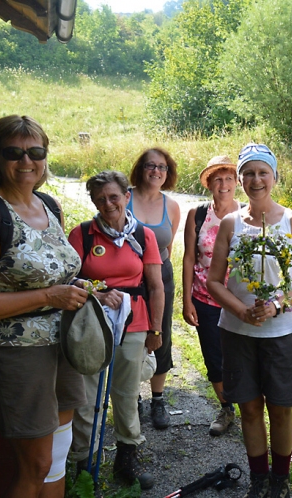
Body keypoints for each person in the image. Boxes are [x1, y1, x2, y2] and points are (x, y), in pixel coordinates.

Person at [0, 115, 90, 498]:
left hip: (62, 345)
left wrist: (83, 290)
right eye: (14, 152)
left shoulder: (48, 205)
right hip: (14, 352)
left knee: (56, 460)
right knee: (35, 466)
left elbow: (55, 276)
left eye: (35, 151)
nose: (26, 160)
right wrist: (50, 297)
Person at [207, 143, 292, 498]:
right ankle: (258, 480)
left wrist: (277, 305)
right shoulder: (230, 223)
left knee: (281, 408)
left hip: (282, 331)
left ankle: (280, 481)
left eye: (263, 172)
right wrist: (240, 310)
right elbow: (213, 280)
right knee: (250, 408)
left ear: (274, 176)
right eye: (249, 173)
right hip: (238, 331)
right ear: (240, 179)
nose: (256, 180)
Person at [67, 171, 165, 490]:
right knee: (88, 397)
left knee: (126, 394)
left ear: (126, 196)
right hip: (93, 324)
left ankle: (127, 459)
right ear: (93, 201)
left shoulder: (144, 236)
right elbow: (66, 280)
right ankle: (86, 465)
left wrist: (156, 330)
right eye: (100, 198)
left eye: (113, 196)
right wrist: (96, 290)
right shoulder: (82, 235)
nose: (108, 203)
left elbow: (155, 286)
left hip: (134, 325)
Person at [182, 155, 242, 437]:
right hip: (205, 299)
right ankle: (227, 408)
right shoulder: (198, 214)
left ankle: (251, 407)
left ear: (237, 182)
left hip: (240, 301)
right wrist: (186, 300)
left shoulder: (247, 213)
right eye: (217, 178)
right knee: (214, 359)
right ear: (209, 183)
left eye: (229, 178)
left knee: (242, 358)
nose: (224, 184)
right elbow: (188, 258)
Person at [126, 147, 181, 430]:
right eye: (151, 165)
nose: (156, 171)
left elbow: (167, 248)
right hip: (127, 280)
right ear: (141, 168)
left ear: (167, 172)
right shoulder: (124, 197)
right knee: (129, 336)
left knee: (160, 333)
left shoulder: (171, 206)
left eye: (162, 167)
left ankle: (157, 399)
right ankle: (132, 397)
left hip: (161, 276)